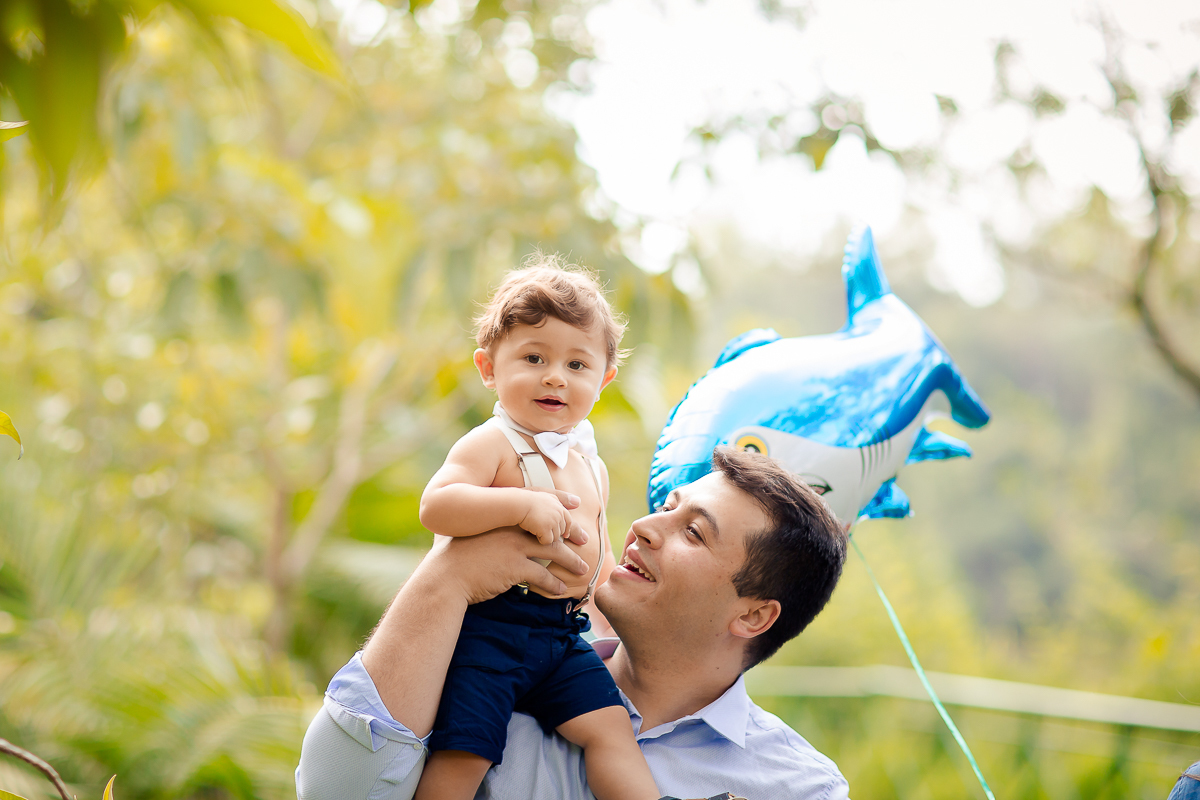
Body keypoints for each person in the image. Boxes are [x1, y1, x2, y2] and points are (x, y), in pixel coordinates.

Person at [296, 446, 851, 800]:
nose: (644, 525)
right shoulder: (472, 669)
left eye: (694, 532)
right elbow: (334, 792)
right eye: (667, 506)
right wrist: (450, 575)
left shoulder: (800, 788)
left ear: (754, 614)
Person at [411, 260, 661, 800]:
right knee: (467, 750)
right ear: (488, 368)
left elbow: (601, 562)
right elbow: (438, 505)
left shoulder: (592, 465)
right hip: (489, 630)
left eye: (577, 364)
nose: (555, 376)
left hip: (561, 636)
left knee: (612, 730)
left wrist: (623, 626)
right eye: (533, 358)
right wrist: (519, 507)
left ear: (604, 379)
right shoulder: (492, 443)